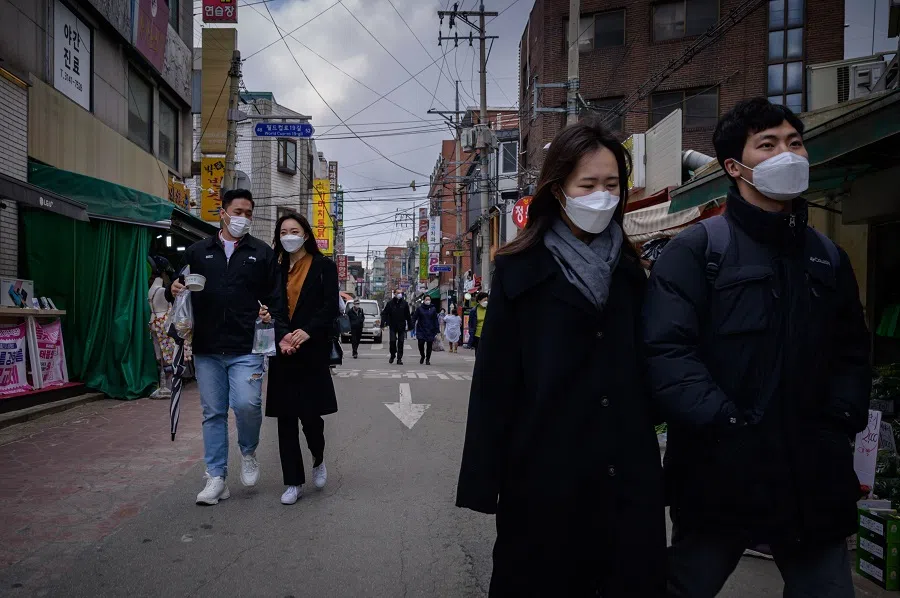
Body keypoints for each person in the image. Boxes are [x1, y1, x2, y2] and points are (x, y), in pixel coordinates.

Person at [643, 98, 870, 598]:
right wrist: (727, 425)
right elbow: (668, 354)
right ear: (733, 166)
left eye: (794, 143)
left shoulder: (827, 256)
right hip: (720, 474)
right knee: (686, 585)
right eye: (767, 145)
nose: (786, 154)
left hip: (811, 475)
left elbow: (852, 350)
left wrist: (838, 421)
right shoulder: (697, 250)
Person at [456, 119, 665, 597]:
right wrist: (484, 480)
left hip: (626, 470)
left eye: (611, 185)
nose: (601, 196)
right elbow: (495, 385)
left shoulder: (633, 271)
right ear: (558, 189)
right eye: (587, 184)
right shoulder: (518, 269)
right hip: (544, 473)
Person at [168, 189, 294, 506]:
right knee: (213, 414)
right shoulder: (198, 252)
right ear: (222, 212)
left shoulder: (262, 253)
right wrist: (174, 288)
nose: (244, 218)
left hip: (247, 347)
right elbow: (179, 289)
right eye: (238, 211)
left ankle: (248, 451)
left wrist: (271, 315)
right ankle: (216, 478)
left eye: (249, 213)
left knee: (247, 404)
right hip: (207, 348)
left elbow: (277, 302)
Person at [262, 212, 339, 506]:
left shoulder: (323, 266)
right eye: (283, 232)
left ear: (305, 234)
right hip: (283, 350)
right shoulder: (276, 268)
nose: (288, 236)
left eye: (294, 230)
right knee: (285, 418)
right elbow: (271, 306)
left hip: (312, 349)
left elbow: (330, 306)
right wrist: (283, 335)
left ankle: (318, 458)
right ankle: (293, 481)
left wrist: (305, 332)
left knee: (310, 417)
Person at [148, 256, 174, 399]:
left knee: (160, 354)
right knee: (165, 354)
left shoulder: (151, 289)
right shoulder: (161, 290)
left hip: (154, 321)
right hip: (162, 322)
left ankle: (164, 384)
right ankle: (165, 385)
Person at [381, 290, 412, 365]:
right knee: (392, 341)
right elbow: (384, 313)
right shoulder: (390, 303)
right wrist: (382, 324)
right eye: (398, 293)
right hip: (392, 325)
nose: (399, 294)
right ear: (394, 294)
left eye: (400, 293)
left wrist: (410, 326)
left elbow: (408, 315)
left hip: (402, 326)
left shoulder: (405, 303)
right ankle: (392, 355)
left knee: (401, 342)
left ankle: (399, 358)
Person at [412, 296, 440, 365]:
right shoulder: (419, 309)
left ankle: (428, 359)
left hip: (430, 329)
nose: (428, 301)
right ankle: (422, 355)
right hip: (421, 329)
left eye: (429, 299)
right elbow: (414, 317)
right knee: (420, 343)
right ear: (424, 300)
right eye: (426, 299)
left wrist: (437, 329)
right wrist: (411, 325)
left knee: (429, 345)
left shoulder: (433, 309)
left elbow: (435, 320)